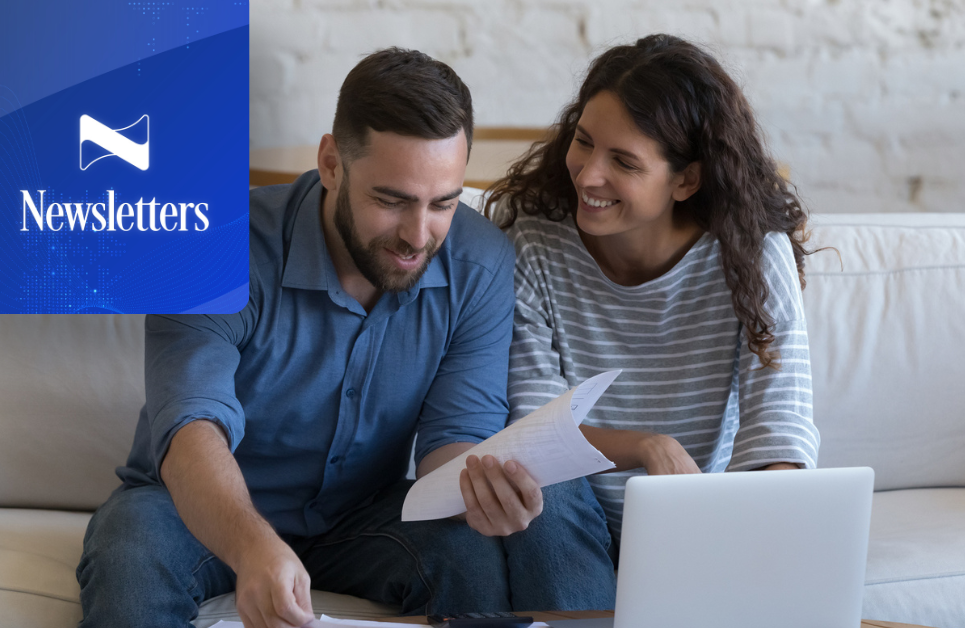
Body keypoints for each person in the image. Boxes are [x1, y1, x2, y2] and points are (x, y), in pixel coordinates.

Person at [76, 48, 616, 628]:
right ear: (332, 163)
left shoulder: (479, 263)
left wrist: (482, 492)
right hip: (190, 511)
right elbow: (191, 430)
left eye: (443, 203)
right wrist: (254, 546)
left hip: (362, 516)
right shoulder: (209, 249)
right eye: (391, 200)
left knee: (470, 557)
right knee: (129, 554)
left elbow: (454, 437)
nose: (418, 236)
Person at [487, 34, 821, 547]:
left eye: (624, 162)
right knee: (542, 490)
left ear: (686, 180)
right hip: (563, 511)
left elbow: (779, 431)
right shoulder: (531, 239)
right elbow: (535, 431)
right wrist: (646, 446)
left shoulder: (752, 254)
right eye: (583, 141)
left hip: (689, 524)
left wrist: (755, 538)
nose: (588, 176)